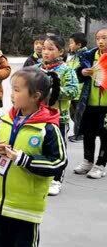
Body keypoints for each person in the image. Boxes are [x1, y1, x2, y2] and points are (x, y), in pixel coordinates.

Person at [0, 67, 67, 247]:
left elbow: (59, 162)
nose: (12, 94)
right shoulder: (4, 119)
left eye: (17, 90)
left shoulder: (48, 128)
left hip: (26, 207)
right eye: (12, 89)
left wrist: (24, 159)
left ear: (35, 96)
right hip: (1, 203)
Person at [36, 35, 79, 196]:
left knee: (57, 149)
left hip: (58, 118)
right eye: (44, 48)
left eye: (50, 49)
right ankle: (40, 173)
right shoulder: (37, 68)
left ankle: (56, 179)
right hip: (37, 116)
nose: (45, 52)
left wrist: (54, 91)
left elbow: (74, 91)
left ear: (61, 51)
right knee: (39, 145)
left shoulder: (66, 70)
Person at [73, 28, 107, 179]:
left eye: (104, 38)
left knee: (105, 135)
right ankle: (87, 161)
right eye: (98, 38)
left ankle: (100, 164)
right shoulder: (89, 55)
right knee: (88, 133)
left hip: (106, 105)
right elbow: (78, 75)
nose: (101, 41)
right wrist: (82, 72)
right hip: (90, 102)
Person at [68, 32, 88, 142]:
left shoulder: (84, 56)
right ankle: (80, 133)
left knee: (78, 114)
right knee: (74, 114)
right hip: (74, 90)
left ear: (79, 45)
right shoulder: (75, 56)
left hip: (80, 90)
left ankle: (80, 134)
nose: (69, 45)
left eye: (71, 43)